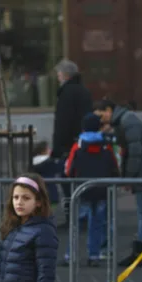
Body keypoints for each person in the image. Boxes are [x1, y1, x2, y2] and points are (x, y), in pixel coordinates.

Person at [94, 99, 142, 266]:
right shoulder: (125, 120)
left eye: (102, 115)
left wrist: (129, 177)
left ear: (109, 110)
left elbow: (133, 152)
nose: (101, 120)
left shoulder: (127, 120)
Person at [64, 113, 120, 266]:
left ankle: (71, 255)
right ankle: (93, 255)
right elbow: (115, 167)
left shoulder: (78, 145)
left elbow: (69, 169)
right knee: (97, 224)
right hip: (101, 190)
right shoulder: (106, 145)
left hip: (82, 190)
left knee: (75, 225)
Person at [52, 60, 93, 226]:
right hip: (82, 142)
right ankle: (83, 215)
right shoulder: (84, 91)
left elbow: (63, 122)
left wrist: (57, 147)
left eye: (59, 74)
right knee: (80, 181)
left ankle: (72, 217)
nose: (57, 77)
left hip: (68, 145)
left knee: (67, 181)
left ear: (65, 75)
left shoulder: (66, 93)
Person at [31, 141, 62, 210]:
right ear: (44, 151)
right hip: (51, 194)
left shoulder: (31, 163)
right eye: (48, 149)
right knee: (49, 215)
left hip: (36, 194)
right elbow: (61, 168)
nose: (50, 150)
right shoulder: (50, 162)